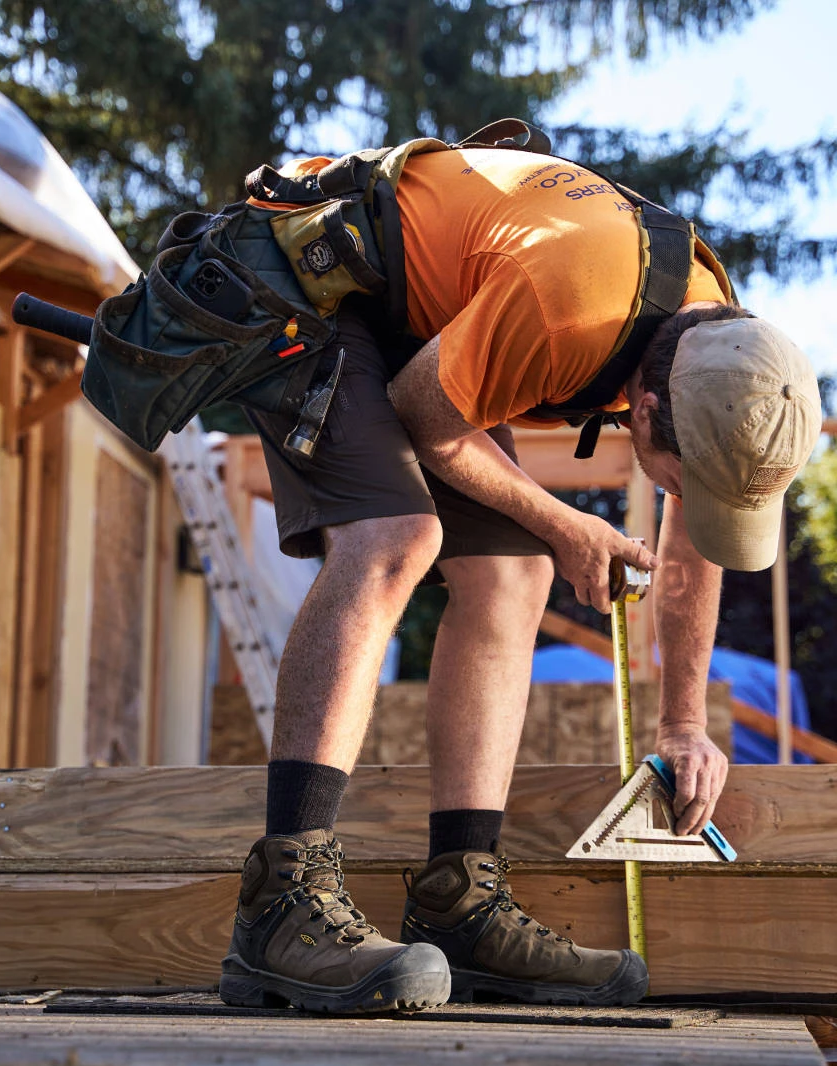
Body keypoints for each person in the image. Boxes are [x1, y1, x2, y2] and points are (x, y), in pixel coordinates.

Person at [218, 144, 822, 1014]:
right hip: (302, 270)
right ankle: (280, 905)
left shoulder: (724, 360)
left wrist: (685, 724)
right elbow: (428, 418)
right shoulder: (566, 308)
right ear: (645, 413)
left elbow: (691, 537)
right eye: (680, 481)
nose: (682, 503)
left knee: (512, 576)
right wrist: (562, 517)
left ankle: (459, 904)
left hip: (424, 318)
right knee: (397, 536)